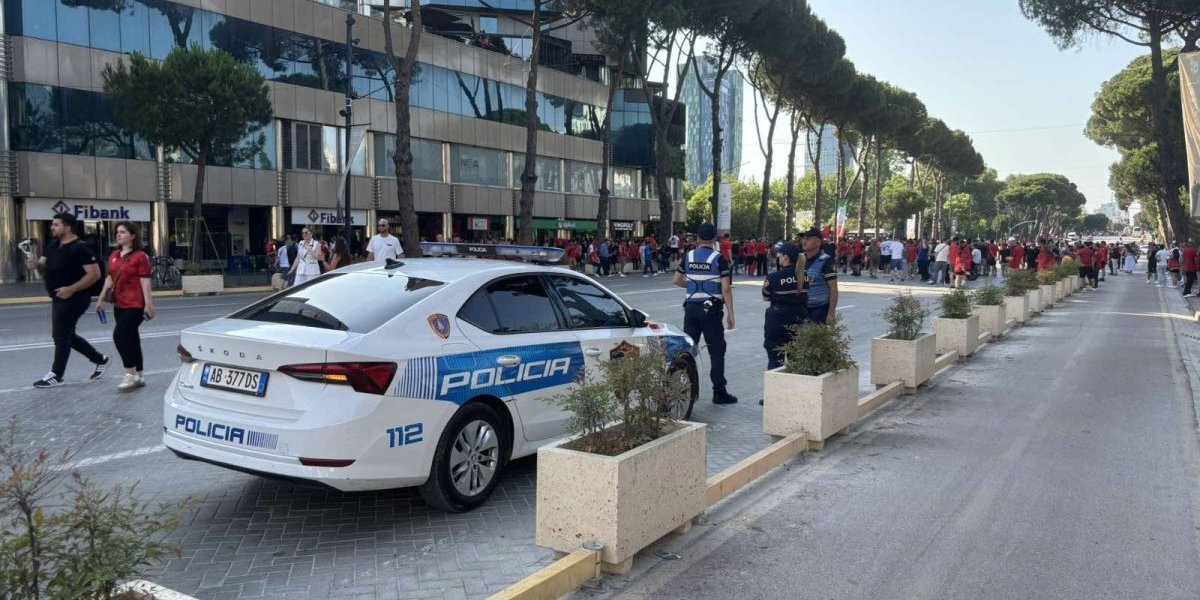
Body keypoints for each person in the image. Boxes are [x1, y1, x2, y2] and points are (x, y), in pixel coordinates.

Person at [26, 212, 110, 388]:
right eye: (52, 224)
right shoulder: (53, 245)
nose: (52, 227)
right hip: (57, 296)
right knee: (67, 335)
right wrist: (36, 265)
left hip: (75, 298)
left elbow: (95, 274)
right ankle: (100, 359)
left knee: (60, 336)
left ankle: (56, 375)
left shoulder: (81, 248)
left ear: (68, 227)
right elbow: (43, 268)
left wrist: (71, 289)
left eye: (56, 224)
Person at [674, 223, 737, 405]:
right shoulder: (719, 259)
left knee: (689, 350)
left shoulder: (688, 256)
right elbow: (725, 288)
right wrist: (731, 314)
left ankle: (687, 391)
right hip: (711, 310)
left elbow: (676, 280)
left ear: (698, 238)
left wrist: (693, 286)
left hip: (691, 309)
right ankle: (719, 392)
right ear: (715, 239)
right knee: (717, 351)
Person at [95, 221, 155, 392]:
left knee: (120, 336)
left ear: (133, 235)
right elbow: (110, 279)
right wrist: (100, 299)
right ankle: (140, 376)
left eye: (122, 232)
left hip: (136, 304)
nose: (118, 235)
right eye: (117, 232)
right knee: (132, 338)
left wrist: (149, 305)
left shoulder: (140, 257)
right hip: (119, 303)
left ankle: (130, 374)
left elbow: (145, 282)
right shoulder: (114, 255)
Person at [801, 228, 838, 324]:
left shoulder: (826, 261)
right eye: (803, 239)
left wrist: (831, 313)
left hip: (819, 309)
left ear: (818, 242)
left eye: (808, 239)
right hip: (801, 309)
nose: (804, 241)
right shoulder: (799, 259)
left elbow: (833, 288)